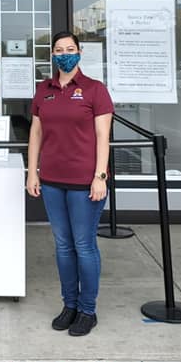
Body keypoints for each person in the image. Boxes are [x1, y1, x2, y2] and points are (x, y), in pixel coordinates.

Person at [27, 31, 113, 337]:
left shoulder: (94, 90)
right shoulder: (44, 89)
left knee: (83, 245)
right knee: (63, 246)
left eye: (70, 49)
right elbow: (36, 133)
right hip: (52, 180)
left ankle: (88, 310)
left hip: (84, 182)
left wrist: (100, 176)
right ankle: (70, 305)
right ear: (52, 55)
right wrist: (32, 172)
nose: (65, 54)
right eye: (59, 50)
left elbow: (103, 137)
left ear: (79, 52)